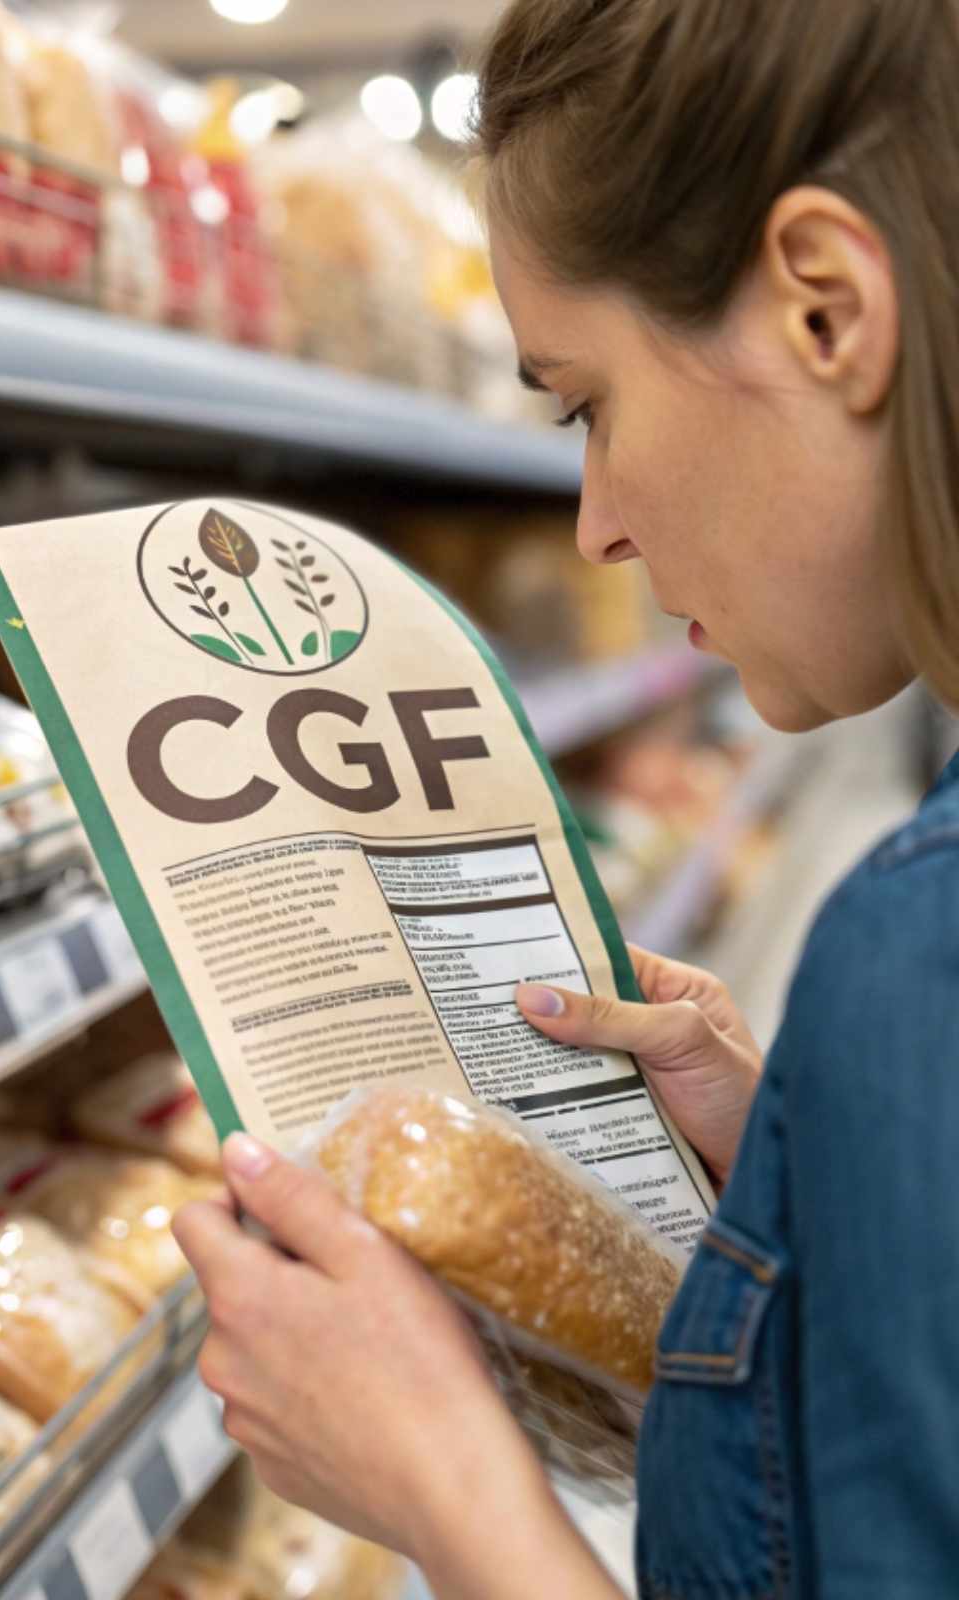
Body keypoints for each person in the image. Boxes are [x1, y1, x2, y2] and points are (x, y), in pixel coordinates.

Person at [172, 1, 959, 1594]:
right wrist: (798, 1174)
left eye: (585, 400)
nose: (595, 523)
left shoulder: (918, 948)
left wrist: (447, 1485)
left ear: (827, 310)